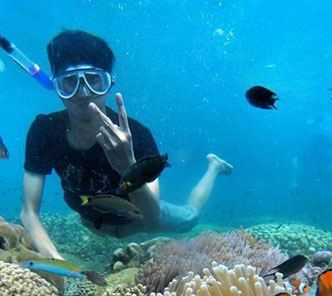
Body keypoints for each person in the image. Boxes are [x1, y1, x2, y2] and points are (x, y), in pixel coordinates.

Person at [21, 29, 233, 259]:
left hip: (141, 222)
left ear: (110, 83)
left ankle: (214, 167)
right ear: (55, 86)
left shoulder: (137, 135)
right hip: (95, 220)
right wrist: (60, 266)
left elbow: (152, 218)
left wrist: (128, 168)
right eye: (69, 83)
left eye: (94, 81)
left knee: (191, 218)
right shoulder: (43, 131)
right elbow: (28, 213)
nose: (83, 93)